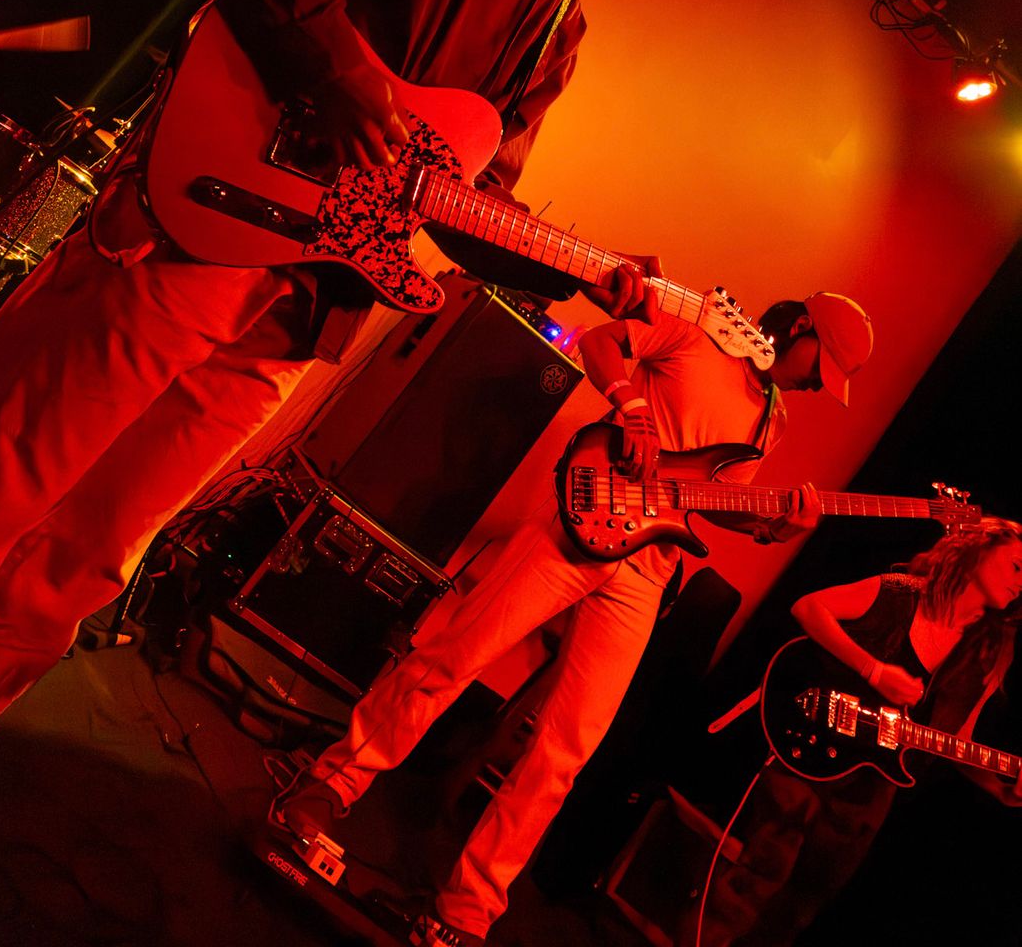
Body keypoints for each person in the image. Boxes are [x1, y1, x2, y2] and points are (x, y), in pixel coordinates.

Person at [0, 0, 767, 758]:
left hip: (302, 314)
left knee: (77, 573)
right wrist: (334, 67)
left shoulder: (562, 28)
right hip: (202, 225)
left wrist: (584, 271)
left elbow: (469, 194)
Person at [269, 291, 874, 946]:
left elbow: (713, 497)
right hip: (577, 525)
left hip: (645, 573)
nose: (819, 383)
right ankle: (331, 785)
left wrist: (771, 526)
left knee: (565, 751)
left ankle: (467, 910)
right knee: (454, 658)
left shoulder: (771, 420)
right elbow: (599, 341)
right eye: (822, 365)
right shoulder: (697, 332)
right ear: (799, 326)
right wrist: (632, 407)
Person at [686, 517, 1022, 947]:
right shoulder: (899, 591)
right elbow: (809, 607)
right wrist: (874, 670)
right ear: (978, 548)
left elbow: (958, 738)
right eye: (1016, 566)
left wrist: (1000, 786)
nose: (1020, 582)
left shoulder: (988, 651)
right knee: (756, 876)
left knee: (800, 906)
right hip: (812, 749)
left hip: (870, 792)